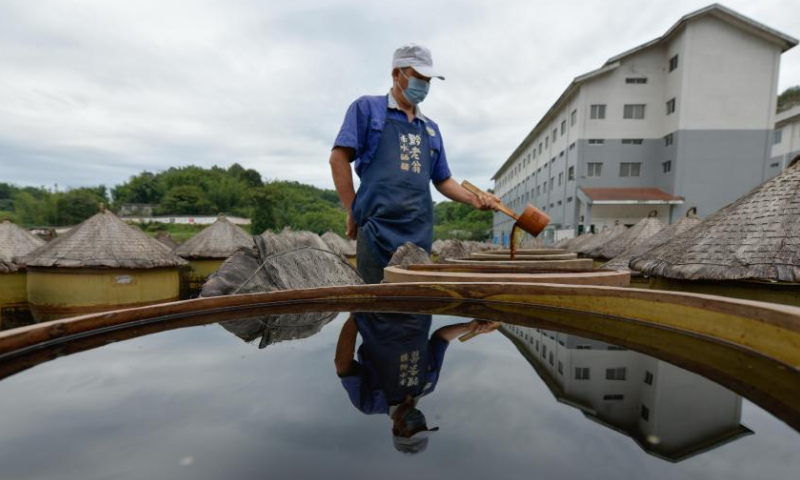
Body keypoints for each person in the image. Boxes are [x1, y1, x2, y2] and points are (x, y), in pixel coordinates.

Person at [329, 43, 500, 283]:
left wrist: (474, 199)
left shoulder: (430, 129)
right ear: (396, 74)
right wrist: (353, 210)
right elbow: (338, 158)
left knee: (415, 308)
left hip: (418, 232)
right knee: (373, 309)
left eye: (428, 80)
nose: (424, 86)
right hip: (377, 230)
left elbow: (442, 179)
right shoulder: (368, 109)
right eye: (418, 77)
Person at [334, 312, 499, 454]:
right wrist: (468, 327)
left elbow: (342, 363)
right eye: (423, 427)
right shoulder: (428, 385)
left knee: (382, 275)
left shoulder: (370, 403)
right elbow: (440, 339)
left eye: (414, 429)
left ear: (397, 429)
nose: (420, 423)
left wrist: (355, 318)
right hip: (418, 307)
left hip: (378, 312)